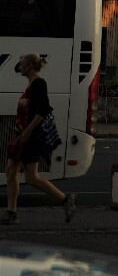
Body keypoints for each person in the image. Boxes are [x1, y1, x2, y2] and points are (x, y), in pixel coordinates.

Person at [1, 53, 76, 225]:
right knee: (10, 171)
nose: (19, 67)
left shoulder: (39, 84)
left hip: (29, 138)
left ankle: (65, 200)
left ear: (29, 66)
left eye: (22, 64)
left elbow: (42, 111)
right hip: (22, 135)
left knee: (32, 178)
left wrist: (26, 133)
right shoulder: (31, 84)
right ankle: (11, 213)